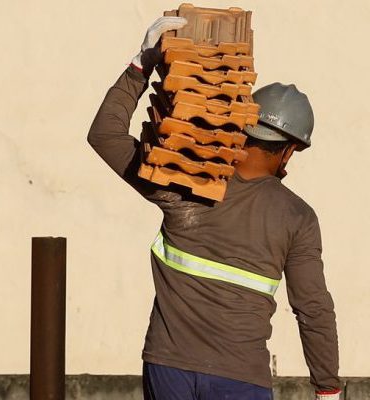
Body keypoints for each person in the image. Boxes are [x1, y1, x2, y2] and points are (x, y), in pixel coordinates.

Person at [88, 16, 341, 400]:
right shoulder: (297, 218)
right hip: (241, 379)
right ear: (290, 149)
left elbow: (104, 134)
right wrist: (327, 387)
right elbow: (312, 308)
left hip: (168, 366)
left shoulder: (184, 180)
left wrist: (141, 65)